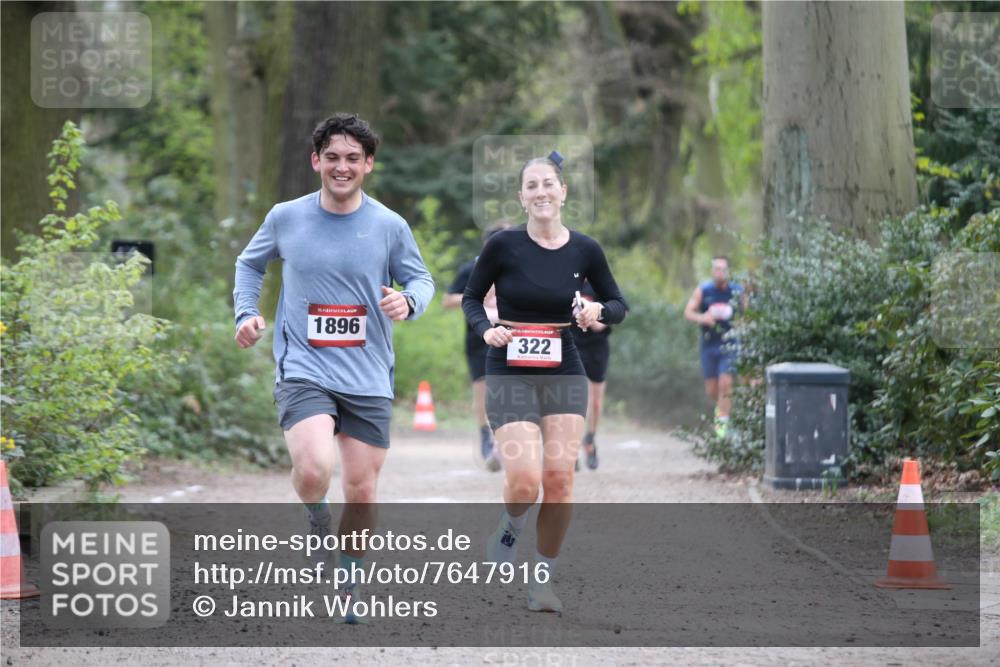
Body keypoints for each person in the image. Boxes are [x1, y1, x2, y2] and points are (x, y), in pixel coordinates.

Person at [233, 113, 434, 623]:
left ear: (368, 164)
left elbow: (421, 279)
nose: (341, 167)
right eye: (332, 157)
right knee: (315, 467)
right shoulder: (286, 216)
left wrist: (409, 301)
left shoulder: (389, 225)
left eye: (352, 159)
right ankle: (315, 513)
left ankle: (349, 577)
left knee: (363, 487)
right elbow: (249, 263)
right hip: (304, 366)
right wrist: (246, 311)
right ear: (315, 160)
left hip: (367, 373)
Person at [463, 151, 627, 613]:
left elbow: (617, 303)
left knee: (559, 481)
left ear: (563, 191)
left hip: (564, 368)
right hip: (509, 368)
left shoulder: (585, 249)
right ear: (521, 196)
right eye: (531, 186)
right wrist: (485, 329)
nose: (540, 192)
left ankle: (541, 582)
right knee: (524, 481)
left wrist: (598, 311)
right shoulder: (503, 246)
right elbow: (473, 299)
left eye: (548, 184)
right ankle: (509, 527)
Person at [442, 221, 512, 472]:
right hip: (479, 338)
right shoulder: (472, 269)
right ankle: (486, 435)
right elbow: (447, 300)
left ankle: (503, 440)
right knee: (483, 390)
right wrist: (475, 297)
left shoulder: (518, 269)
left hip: (512, 338)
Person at [683, 255, 745, 437]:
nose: (720, 272)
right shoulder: (704, 290)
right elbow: (688, 312)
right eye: (717, 268)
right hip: (709, 344)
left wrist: (741, 325)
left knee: (726, 382)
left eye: (723, 269)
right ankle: (722, 412)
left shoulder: (737, 291)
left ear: (728, 271)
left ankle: (722, 427)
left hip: (730, 343)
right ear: (712, 271)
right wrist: (703, 318)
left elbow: (748, 314)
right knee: (712, 389)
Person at [570, 280, 613, 470]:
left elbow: (621, 308)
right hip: (573, 345)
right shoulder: (567, 279)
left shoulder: (601, 282)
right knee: (577, 398)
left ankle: (590, 440)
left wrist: (599, 321)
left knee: (595, 402)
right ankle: (572, 448)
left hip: (597, 347)